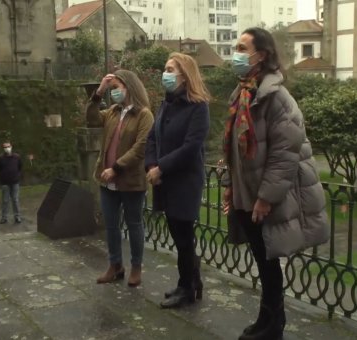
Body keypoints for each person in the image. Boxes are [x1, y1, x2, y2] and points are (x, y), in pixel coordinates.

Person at [221, 27, 329, 340]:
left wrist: (266, 197)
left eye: (242, 48)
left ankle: (272, 326)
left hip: (265, 197)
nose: (236, 54)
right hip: (246, 194)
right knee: (262, 259)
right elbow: (232, 149)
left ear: (262, 54)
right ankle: (267, 322)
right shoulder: (242, 93)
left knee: (269, 262)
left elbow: (285, 154)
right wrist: (230, 184)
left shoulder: (277, 97)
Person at [145, 53, 210, 309]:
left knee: (184, 238)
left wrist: (161, 167)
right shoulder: (166, 104)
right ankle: (192, 282)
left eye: (170, 69)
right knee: (178, 234)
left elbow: (191, 147)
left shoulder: (198, 106)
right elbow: (152, 138)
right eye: (165, 68)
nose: (166, 73)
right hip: (164, 180)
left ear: (184, 74)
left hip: (184, 182)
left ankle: (187, 288)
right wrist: (151, 165)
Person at [88, 70, 154, 287]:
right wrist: (99, 92)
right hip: (107, 180)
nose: (114, 91)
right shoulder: (113, 112)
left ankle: (136, 267)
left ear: (129, 87)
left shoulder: (144, 114)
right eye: (112, 87)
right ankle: (115, 265)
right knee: (111, 225)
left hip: (131, 180)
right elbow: (91, 118)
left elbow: (141, 147)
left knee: (134, 224)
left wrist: (116, 168)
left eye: (117, 87)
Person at [0, 141, 22, 224]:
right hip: (5, 182)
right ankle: (4, 217)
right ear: (3, 148)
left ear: (11, 147)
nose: (7, 148)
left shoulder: (17, 157)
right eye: (5, 147)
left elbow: (20, 166)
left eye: (8, 146)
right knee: (5, 200)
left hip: (15, 181)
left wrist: (16, 175)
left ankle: (17, 216)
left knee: (15, 200)